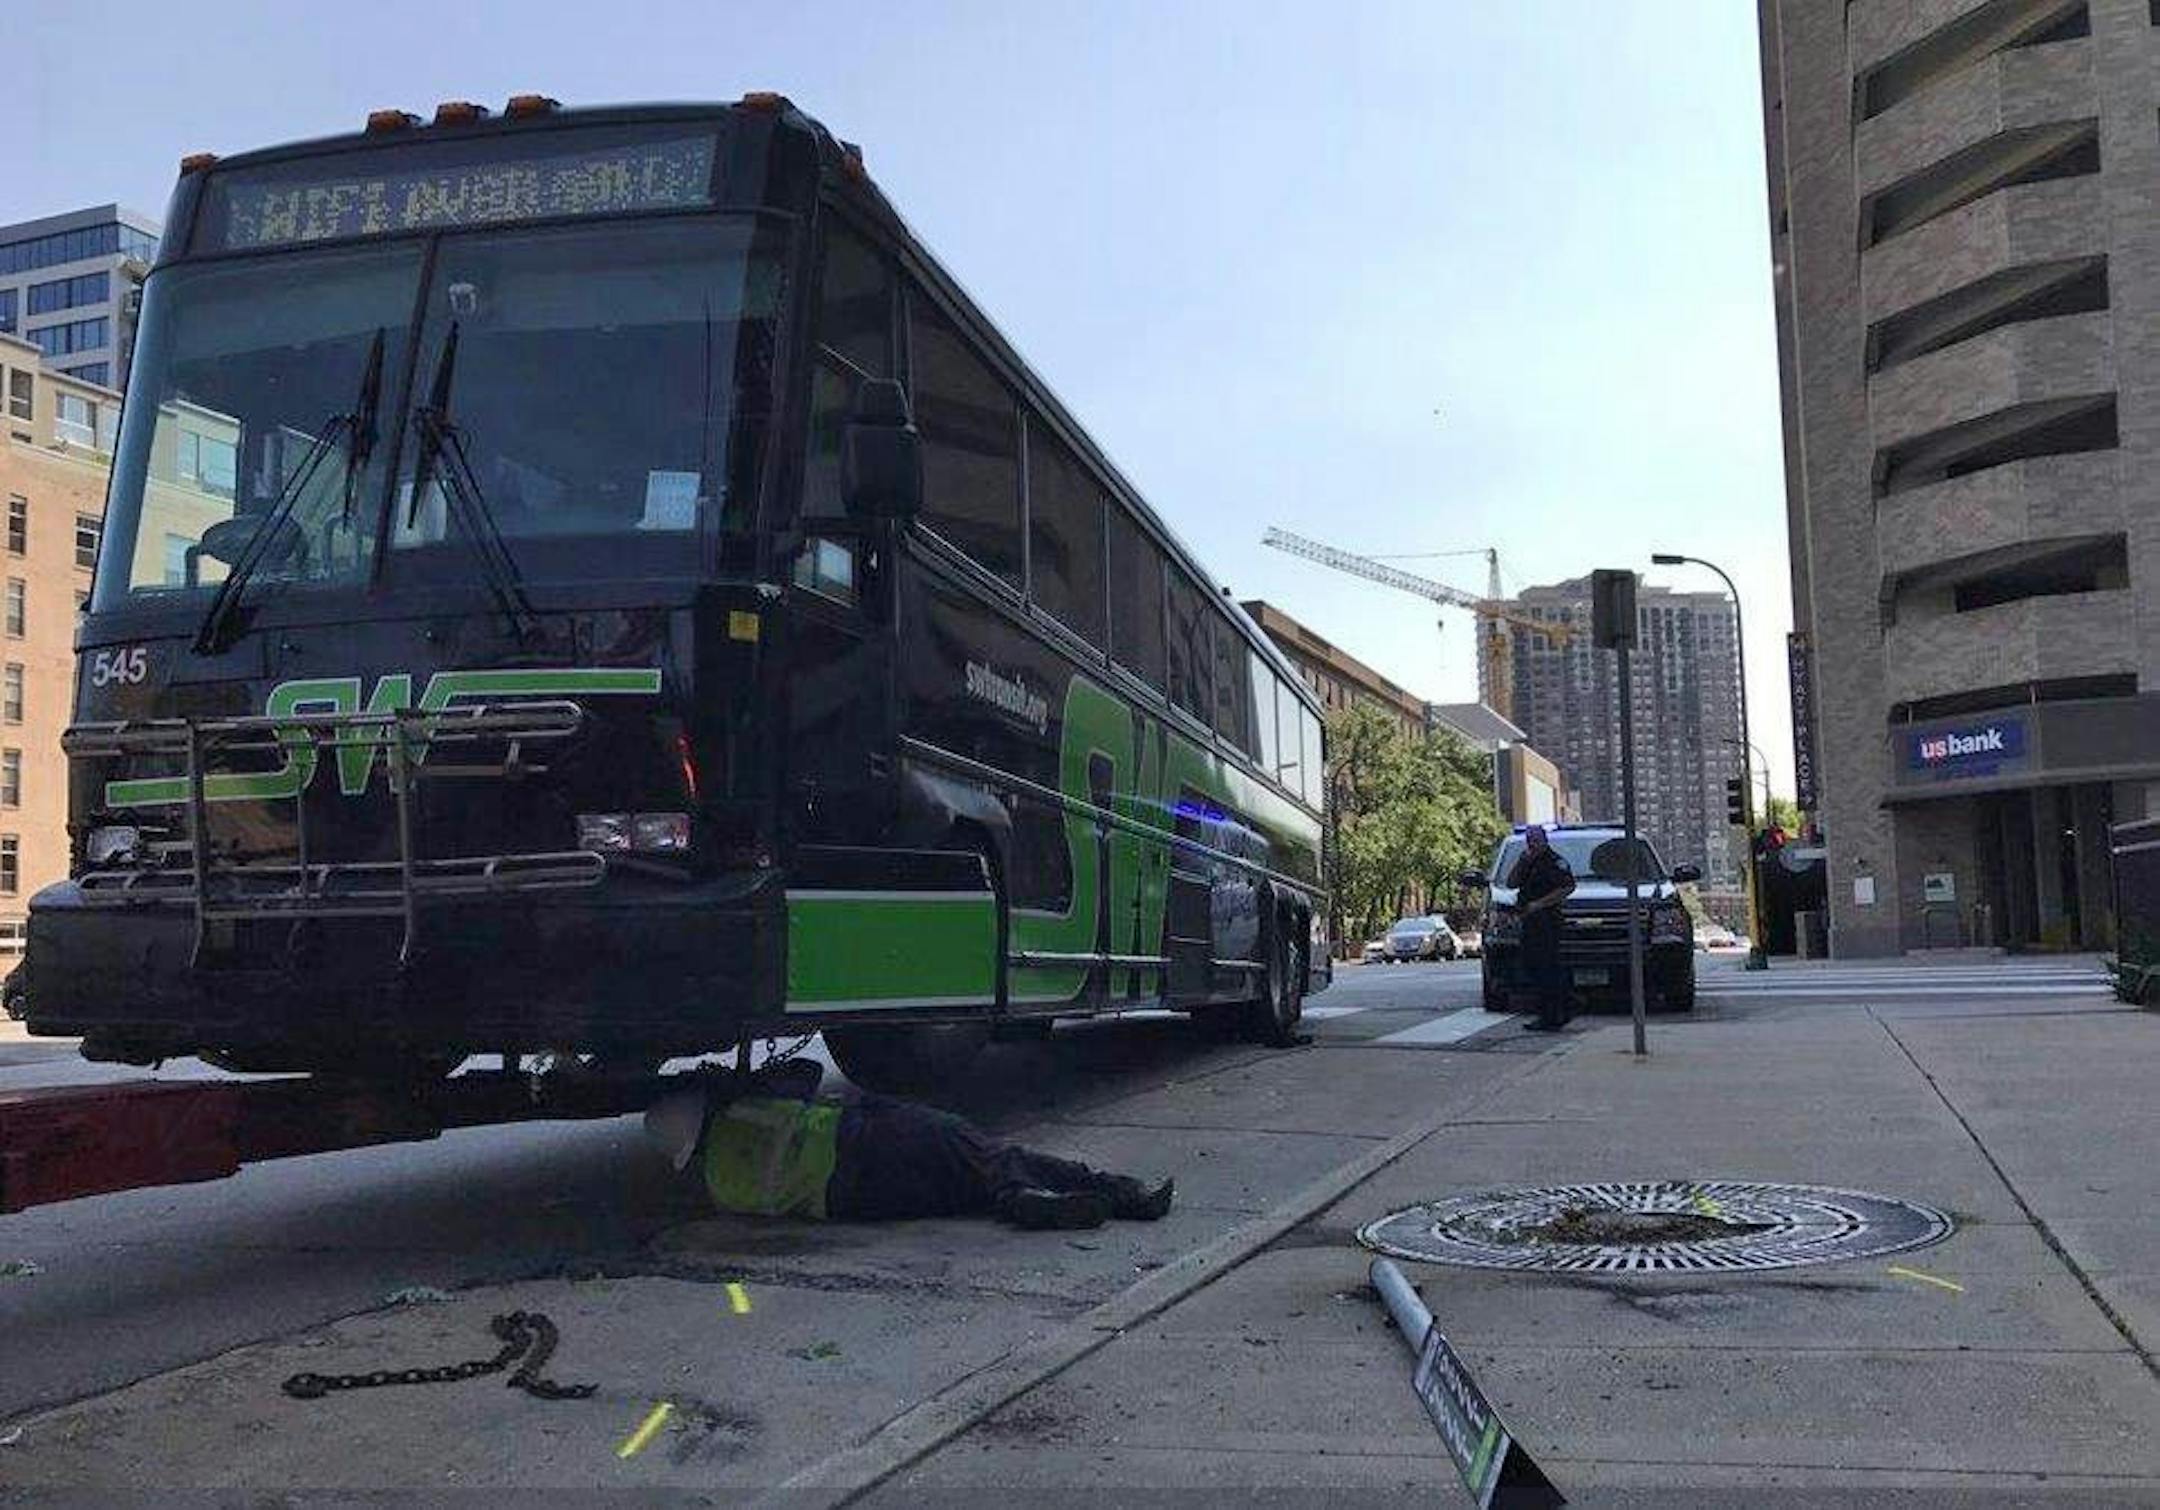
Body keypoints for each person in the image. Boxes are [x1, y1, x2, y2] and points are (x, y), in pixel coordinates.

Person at [644, 1061, 1174, 1231]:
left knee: (966, 1187)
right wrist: (733, 1083)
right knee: (989, 1153)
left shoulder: (719, 1187)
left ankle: (1079, 1196)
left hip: (859, 1204)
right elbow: (803, 1073)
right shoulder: (744, 1109)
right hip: (865, 1142)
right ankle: (1072, 1196)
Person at [1506, 824, 1577, 1030]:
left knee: (1548, 968)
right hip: (1529, 921)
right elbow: (1511, 883)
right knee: (1533, 967)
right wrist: (1521, 862)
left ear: (1545, 841)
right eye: (1529, 841)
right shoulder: (1527, 861)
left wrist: (1541, 903)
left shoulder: (1555, 862)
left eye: (1536, 840)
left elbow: (1568, 887)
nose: (1532, 844)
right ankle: (1554, 1010)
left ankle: (1555, 1013)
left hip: (1547, 921)